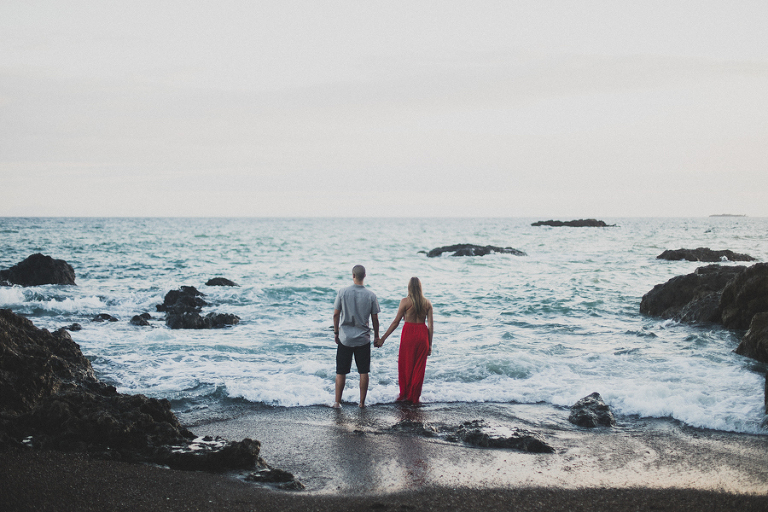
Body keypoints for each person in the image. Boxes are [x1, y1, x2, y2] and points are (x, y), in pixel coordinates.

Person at [376, 277, 433, 404]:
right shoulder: (427, 303)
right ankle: (414, 397)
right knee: (419, 367)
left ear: (409, 287)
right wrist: (430, 345)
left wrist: (383, 339)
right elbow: (430, 326)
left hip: (409, 335)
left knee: (406, 365)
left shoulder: (405, 302)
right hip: (423, 335)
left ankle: (405, 395)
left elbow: (396, 322)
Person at [333, 264, 380, 408]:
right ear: (364, 276)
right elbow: (375, 319)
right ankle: (361, 403)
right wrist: (377, 336)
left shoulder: (342, 292)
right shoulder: (371, 295)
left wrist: (336, 332)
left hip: (345, 338)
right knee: (363, 371)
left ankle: (337, 402)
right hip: (363, 339)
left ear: (353, 275)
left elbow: (336, 314)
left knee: (341, 371)